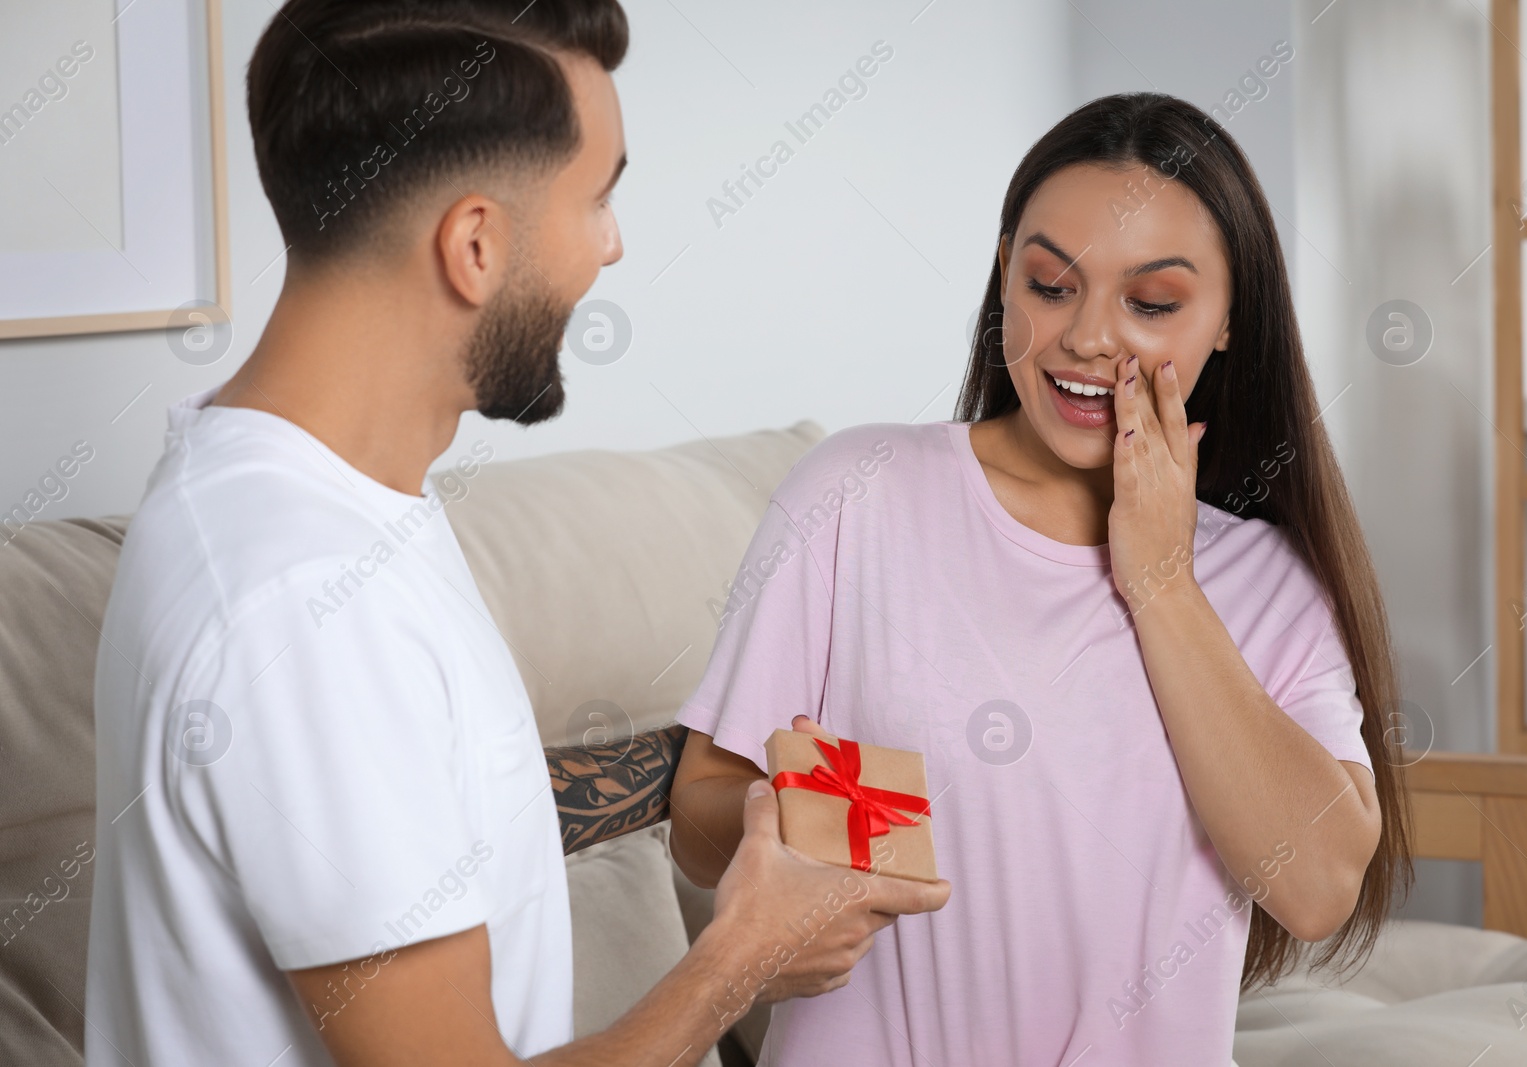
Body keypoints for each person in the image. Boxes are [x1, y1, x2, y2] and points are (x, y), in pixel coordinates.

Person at [83, 3, 950, 1064]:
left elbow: (407, 801)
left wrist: (682, 767)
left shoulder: (297, 487)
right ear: (476, 244)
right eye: (597, 197)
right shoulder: (309, 606)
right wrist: (742, 958)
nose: (612, 246)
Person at [669, 92, 1412, 1066]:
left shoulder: (1265, 580)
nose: (1088, 338)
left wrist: (1160, 581)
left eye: (1151, 302)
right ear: (1004, 286)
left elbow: (1314, 886)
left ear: (1231, 319)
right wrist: (816, 822)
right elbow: (701, 811)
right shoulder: (858, 493)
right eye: (1050, 285)